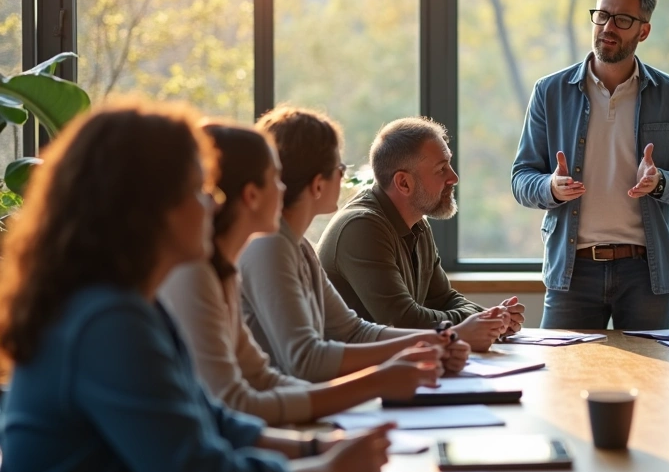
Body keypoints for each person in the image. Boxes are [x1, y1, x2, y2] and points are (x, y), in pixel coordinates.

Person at [0, 104, 394, 472]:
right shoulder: (105, 321)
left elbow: (213, 419)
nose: (214, 200)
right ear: (149, 208)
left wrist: (319, 449)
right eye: (198, 187)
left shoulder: (133, 305)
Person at [160, 122, 460, 425]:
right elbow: (297, 365)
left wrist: (432, 342)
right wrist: (376, 382)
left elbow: (346, 335)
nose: (283, 187)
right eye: (275, 177)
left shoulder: (293, 247)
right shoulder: (261, 248)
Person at [511, 0, 669, 330]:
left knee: (651, 382)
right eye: (602, 15)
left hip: (646, 273)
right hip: (572, 270)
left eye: (622, 19)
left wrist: (661, 181)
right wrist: (550, 189)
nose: (607, 27)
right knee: (561, 379)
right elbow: (521, 178)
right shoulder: (549, 92)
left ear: (643, 31)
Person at [239, 107, 466, 382]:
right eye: (339, 167)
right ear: (317, 184)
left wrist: (438, 342)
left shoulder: (299, 247)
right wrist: (428, 347)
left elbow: (354, 332)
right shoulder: (270, 246)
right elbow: (306, 361)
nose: (344, 174)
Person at [318, 117, 524, 350]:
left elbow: (445, 299)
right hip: (355, 378)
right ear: (404, 183)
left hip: (395, 367)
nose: (453, 178)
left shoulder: (417, 223)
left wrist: (490, 318)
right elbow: (405, 321)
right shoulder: (361, 227)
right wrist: (477, 323)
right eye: (441, 169)